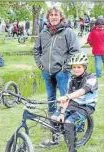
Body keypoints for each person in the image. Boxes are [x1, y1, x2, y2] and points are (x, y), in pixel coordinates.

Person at [33, 7, 80, 147]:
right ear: (48, 17)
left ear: (61, 17)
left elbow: (75, 51)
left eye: (56, 15)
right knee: (51, 99)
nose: (53, 17)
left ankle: (69, 125)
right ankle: (54, 125)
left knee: (65, 99)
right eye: (51, 15)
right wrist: (40, 64)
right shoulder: (44, 32)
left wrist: (64, 68)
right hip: (46, 72)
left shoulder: (68, 32)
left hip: (62, 73)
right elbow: (36, 50)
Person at [51, 52, 98, 152]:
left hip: (86, 106)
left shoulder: (91, 78)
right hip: (73, 104)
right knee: (54, 118)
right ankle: (60, 137)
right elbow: (67, 99)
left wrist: (67, 96)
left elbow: (82, 92)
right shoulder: (71, 79)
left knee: (69, 123)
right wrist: (62, 113)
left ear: (84, 67)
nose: (76, 69)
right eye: (74, 67)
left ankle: (72, 149)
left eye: (79, 67)